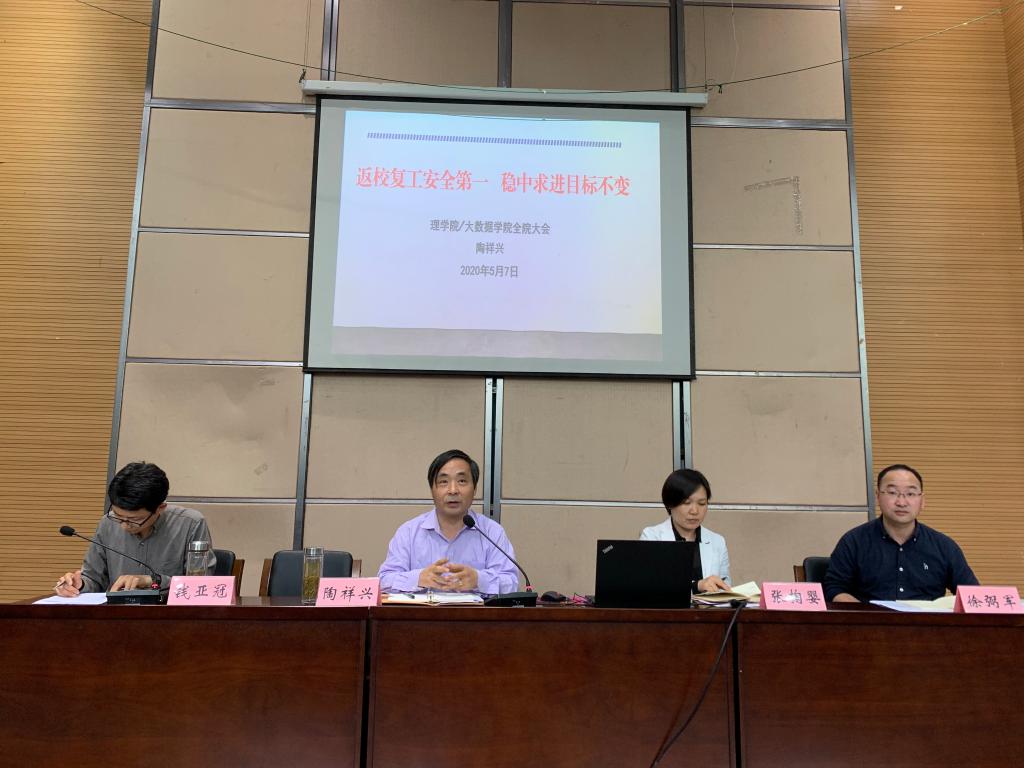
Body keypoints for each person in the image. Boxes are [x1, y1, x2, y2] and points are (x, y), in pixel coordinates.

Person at [54, 462, 215, 595]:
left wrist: (152, 581)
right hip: (117, 616)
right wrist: (79, 584)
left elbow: (200, 587)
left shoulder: (190, 523)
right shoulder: (107, 524)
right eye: (118, 515)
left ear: (160, 508)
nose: (124, 525)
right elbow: (94, 580)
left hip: (170, 616)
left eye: (134, 519)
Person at [823, 463, 978, 602]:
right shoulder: (854, 541)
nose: (901, 502)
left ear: (922, 501)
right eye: (892, 492)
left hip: (927, 625)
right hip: (870, 624)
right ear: (878, 497)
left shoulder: (944, 546)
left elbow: (972, 595)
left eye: (910, 494)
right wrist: (864, 616)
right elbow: (834, 588)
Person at [378, 449, 520, 594]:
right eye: (443, 482)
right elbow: (384, 581)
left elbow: (511, 583)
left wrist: (479, 580)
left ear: (475, 489)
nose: (453, 490)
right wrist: (418, 578)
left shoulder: (491, 532)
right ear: (432, 490)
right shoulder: (409, 532)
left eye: (462, 481)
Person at [640, 468, 731, 594]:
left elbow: (725, 587)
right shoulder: (652, 537)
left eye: (702, 503)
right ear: (670, 504)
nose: (694, 511)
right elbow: (650, 586)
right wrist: (696, 586)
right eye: (686, 503)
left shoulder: (718, 541)